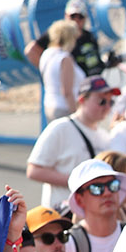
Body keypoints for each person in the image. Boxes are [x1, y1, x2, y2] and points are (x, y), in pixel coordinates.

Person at [25, 78, 114, 209]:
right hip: (61, 213)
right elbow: (34, 171)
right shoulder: (60, 128)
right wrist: (79, 181)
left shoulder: (105, 136)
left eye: (111, 102)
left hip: (91, 214)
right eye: (102, 101)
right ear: (82, 100)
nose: (107, 107)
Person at [36, 21, 81, 123]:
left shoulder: (46, 53)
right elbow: (67, 92)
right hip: (65, 108)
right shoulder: (65, 58)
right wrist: (76, 116)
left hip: (50, 105)